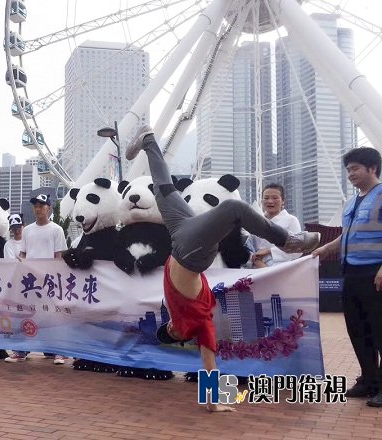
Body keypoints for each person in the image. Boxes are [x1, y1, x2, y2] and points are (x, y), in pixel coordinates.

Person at [126, 125, 319, 412]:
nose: (171, 326)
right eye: (172, 331)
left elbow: (204, 358)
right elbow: (209, 364)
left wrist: (213, 403)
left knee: (168, 188)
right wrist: (214, 403)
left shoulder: (183, 321)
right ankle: (149, 142)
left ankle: (149, 141)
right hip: (187, 244)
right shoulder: (197, 326)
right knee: (228, 209)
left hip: (186, 246)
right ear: (179, 336)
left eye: (168, 327)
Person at [312, 147, 382, 408]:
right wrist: (326, 248)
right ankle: (369, 381)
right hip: (351, 272)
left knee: (379, 329)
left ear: (372, 168)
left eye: (355, 168)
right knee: (358, 329)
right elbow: (348, 235)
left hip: (375, 273)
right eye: (348, 169)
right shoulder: (352, 202)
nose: (350, 174)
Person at [5, 195, 69, 364]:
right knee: (26, 313)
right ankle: (20, 350)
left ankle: (58, 352)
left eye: (41, 205)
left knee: (52, 315)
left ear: (49, 208)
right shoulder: (27, 230)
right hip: (30, 281)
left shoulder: (57, 230)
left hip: (49, 280)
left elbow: (58, 256)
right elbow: (23, 253)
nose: (38, 208)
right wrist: (21, 261)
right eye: (35, 205)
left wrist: (53, 274)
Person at [246, 183, 302, 268]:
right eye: (266, 198)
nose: (270, 201)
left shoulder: (291, 220)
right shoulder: (256, 221)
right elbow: (249, 246)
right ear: (262, 200)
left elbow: (297, 250)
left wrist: (269, 251)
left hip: (282, 269)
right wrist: (257, 261)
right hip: (256, 269)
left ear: (283, 201)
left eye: (275, 198)